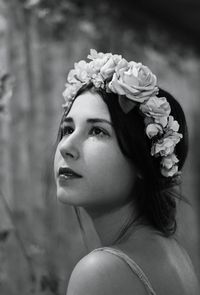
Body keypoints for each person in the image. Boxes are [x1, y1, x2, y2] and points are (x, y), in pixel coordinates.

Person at [54, 49, 199, 295]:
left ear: (143, 162)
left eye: (97, 131)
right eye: (68, 129)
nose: (66, 147)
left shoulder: (101, 271)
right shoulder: (175, 254)